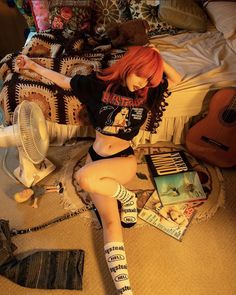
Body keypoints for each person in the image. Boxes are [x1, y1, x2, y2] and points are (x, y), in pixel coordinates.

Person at [16, 46, 181, 295]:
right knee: (110, 222)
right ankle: (126, 291)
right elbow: (64, 81)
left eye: (149, 79)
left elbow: (177, 79)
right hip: (97, 156)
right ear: (129, 65)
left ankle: (126, 197)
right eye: (141, 75)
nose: (142, 83)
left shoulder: (148, 91)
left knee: (83, 177)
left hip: (123, 159)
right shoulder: (97, 86)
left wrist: (156, 57)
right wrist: (31, 65)